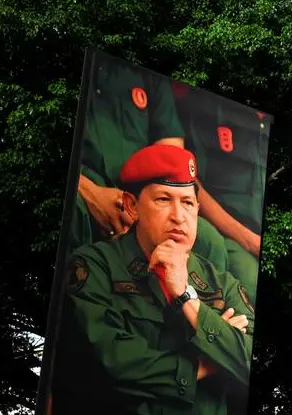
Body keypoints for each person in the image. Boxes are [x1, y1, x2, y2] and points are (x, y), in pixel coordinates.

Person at [47, 143, 255, 415]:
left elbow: (248, 360)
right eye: (163, 200)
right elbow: (111, 363)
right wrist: (209, 362)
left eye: (188, 203)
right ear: (131, 206)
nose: (179, 216)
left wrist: (186, 297)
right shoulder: (93, 267)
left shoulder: (220, 282)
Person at [74, 52, 229, 270]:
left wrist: (145, 208)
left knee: (208, 240)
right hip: (83, 182)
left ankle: (190, 302)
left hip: (141, 192)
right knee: (73, 211)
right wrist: (88, 190)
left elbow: (173, 161)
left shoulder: (150, 74)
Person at [172, 82, 270, 303]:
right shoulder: (208, 107)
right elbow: (192, 181)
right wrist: (251, 242)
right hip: (229, 234)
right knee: (249, 287)